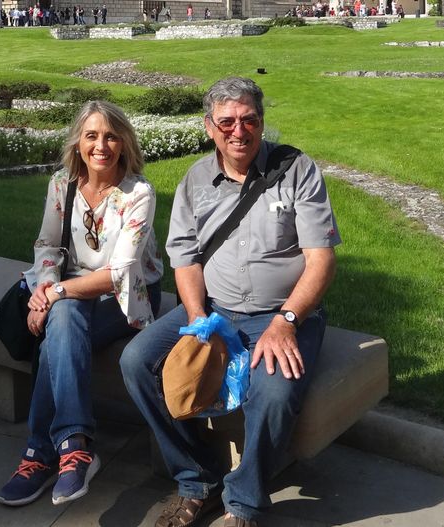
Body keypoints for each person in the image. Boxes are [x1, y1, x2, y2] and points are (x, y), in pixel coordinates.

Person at [120, 77, 340, 527]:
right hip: (214, 308)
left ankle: (243, 501)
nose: (238, 131)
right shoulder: (196, 179)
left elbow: (321, 259)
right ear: (209, 127)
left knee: (274, 393)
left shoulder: (296, 169)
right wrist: (198, 318)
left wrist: (286, 321)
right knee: (137, 361)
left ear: (261, 122)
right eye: (226, 122)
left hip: (283, 314)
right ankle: (197, 478)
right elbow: (185, 258)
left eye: (249, 120)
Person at [0, 100, 164, 508]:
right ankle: (74, 447)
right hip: (70, 289)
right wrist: (46, 287)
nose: (101, 146)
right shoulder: (63, 183)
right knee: (66, 318)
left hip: (129, 296)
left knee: (58, 328)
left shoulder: (138, 193)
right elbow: (47, 244)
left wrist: (54, 294)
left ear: (124, 143)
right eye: (92, 136)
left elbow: (121, 272)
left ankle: (39, 453)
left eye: (111, 136)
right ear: (78, 142)